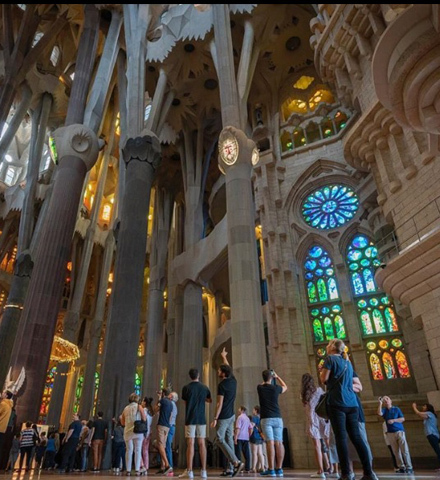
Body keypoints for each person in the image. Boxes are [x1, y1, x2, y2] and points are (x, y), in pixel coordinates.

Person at [320, 339, 378, 480]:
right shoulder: (347, 362)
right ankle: (368, 473)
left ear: (333, 347)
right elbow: (353, 383)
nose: (327, 347)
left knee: (341, 439)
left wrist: (322, 371)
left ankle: (346, 473)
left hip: (337, 403)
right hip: (352, 404)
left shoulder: (330, 359)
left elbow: (324, 379)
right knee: (356, 438)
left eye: (328, 345)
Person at [210, 348, 243, 478]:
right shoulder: (233, 381)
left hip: (223, 416)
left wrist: (215, 418)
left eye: (219, 370)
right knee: (229, 440)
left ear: (223, 373)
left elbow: (219, 404)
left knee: (219, 438)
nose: (218, 371)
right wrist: (224, 357)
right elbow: (229, 368)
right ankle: (230, 469)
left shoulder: (222, 385)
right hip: (232, 415)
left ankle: (235, 462)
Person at [180, 368, 212, 479]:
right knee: (202, 443)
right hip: (201, 418)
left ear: (190, 376)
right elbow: (209, 400)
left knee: (190, 444)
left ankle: (190, 471)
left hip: (190, 418)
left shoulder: (186, 388)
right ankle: (203, 471)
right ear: (198, 375)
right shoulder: (204, 387)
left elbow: (185, 402)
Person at [257, 369, 288, 477]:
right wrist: (277, 377)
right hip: (277, 418)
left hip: (266, 418)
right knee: (279, 443)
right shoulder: (276, 388)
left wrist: (267, 378)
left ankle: (271, 469)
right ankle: (279, 468)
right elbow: (285, 387)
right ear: (271, 378)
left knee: (270, 443)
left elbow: (263, 383)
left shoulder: (260, 388)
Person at [300, 373, 330, 478]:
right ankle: (334, 467)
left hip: (313, 420)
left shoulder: (304, 395)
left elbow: (306, 409)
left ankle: (321, 471)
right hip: (322, 418)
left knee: (317, 446)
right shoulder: (319, 390)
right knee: (328, 443)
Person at [378, 396, 413, 474]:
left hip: (399, 431)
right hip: (390, 433)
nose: (385, 400)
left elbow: (402, 419)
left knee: (404, 450)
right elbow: (379, 413)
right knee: (396, 451)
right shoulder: (384, 410)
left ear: (391, 401)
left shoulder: (396, 409)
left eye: (387, 399)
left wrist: (394, 420)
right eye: (384, 400)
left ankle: (409, 467)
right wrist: (380, 403)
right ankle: (401, 466)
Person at [121, 392, 147, 476]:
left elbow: (122, 422)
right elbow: (144, 418)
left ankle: (128, 470)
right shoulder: (139, 407)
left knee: (129, 450)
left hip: (128, 431)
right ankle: (137, 470)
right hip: (138, 431)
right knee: (138, 450)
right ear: (137, 399)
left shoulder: (125, 408)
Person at [412, 403, 440, 468]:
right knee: (437, 450)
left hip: (432, 434)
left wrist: (414, 407)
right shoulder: (430, 414)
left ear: (428, 407)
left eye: (424, 406)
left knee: (437, 450)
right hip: (430, 434)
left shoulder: (429, 413)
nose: (423, 407)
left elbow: (419, 413)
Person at [154, 388, 173, 475]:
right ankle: (162, 467)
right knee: (163, 446)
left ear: (163, 393)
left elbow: (155, 409)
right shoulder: (171, 403)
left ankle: (167, 465)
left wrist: (159, 398)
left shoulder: (163, 401)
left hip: (161, 424)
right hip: (167, 426)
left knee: (160, 445)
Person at [234, 406, 251, 472]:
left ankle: (239, 468)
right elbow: (251, 428)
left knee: (238, 453)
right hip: (246, 438)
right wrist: (249, 435)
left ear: (241, 410)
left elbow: (238, 428)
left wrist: (235, 437)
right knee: (247, 454)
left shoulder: (239, 417)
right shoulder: (247, 418)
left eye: (239, 409)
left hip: (240, 437)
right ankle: (247, 468)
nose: (238, 410)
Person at [249, 406, 265, 473]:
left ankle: (253, 468)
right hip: (260, 437)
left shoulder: (254, 418)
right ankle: (262, 467)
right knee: (260, 453)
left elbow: (251, 427)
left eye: (253, 410)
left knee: (254, 453)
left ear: (256, 410)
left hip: (255, 436)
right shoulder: (261, 418)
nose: (252, 411)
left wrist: (249, 435)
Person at [141, 397, 154, 472]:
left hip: (144, 431)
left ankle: (142, 465)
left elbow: (144, 420)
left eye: (142, 401)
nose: (141, 403)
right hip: (149, 431)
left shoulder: (144, 411)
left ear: (145, 402)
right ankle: (146, 466)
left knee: (139, 449)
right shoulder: (151, 411)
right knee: (145, 450)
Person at [166, 392, 179, 470]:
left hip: (170, 426)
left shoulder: (171, 404)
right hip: (171, 426)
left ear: (172, 397)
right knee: (167, 446)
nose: (168, 395)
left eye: (170, 395)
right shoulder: (173, 405)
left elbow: (171, 416)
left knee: (168, 446)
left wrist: (167, 425)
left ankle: (170, 465)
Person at [0, 391, 13, 463]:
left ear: (6, 396)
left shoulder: (3, 404)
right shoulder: (9, 405)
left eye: (4, 393)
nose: (2, 393)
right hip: (3, 428)